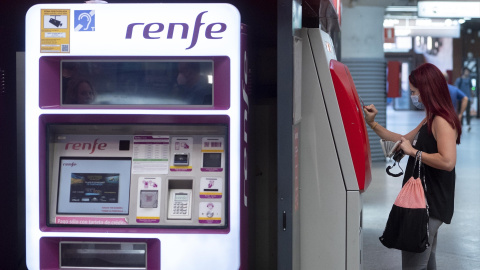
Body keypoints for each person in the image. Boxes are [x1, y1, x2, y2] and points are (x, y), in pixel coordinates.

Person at [364, 63, 461, 270]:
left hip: (430, 203)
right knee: (427, 261)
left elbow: (447, 161)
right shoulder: (430, 118)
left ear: (427, 90)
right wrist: (372, 123)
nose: (413, 96)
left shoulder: (441, 121)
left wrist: (413, 152)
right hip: (425, 201)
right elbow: (402, 140)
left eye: (415, 92)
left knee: (414, 264)